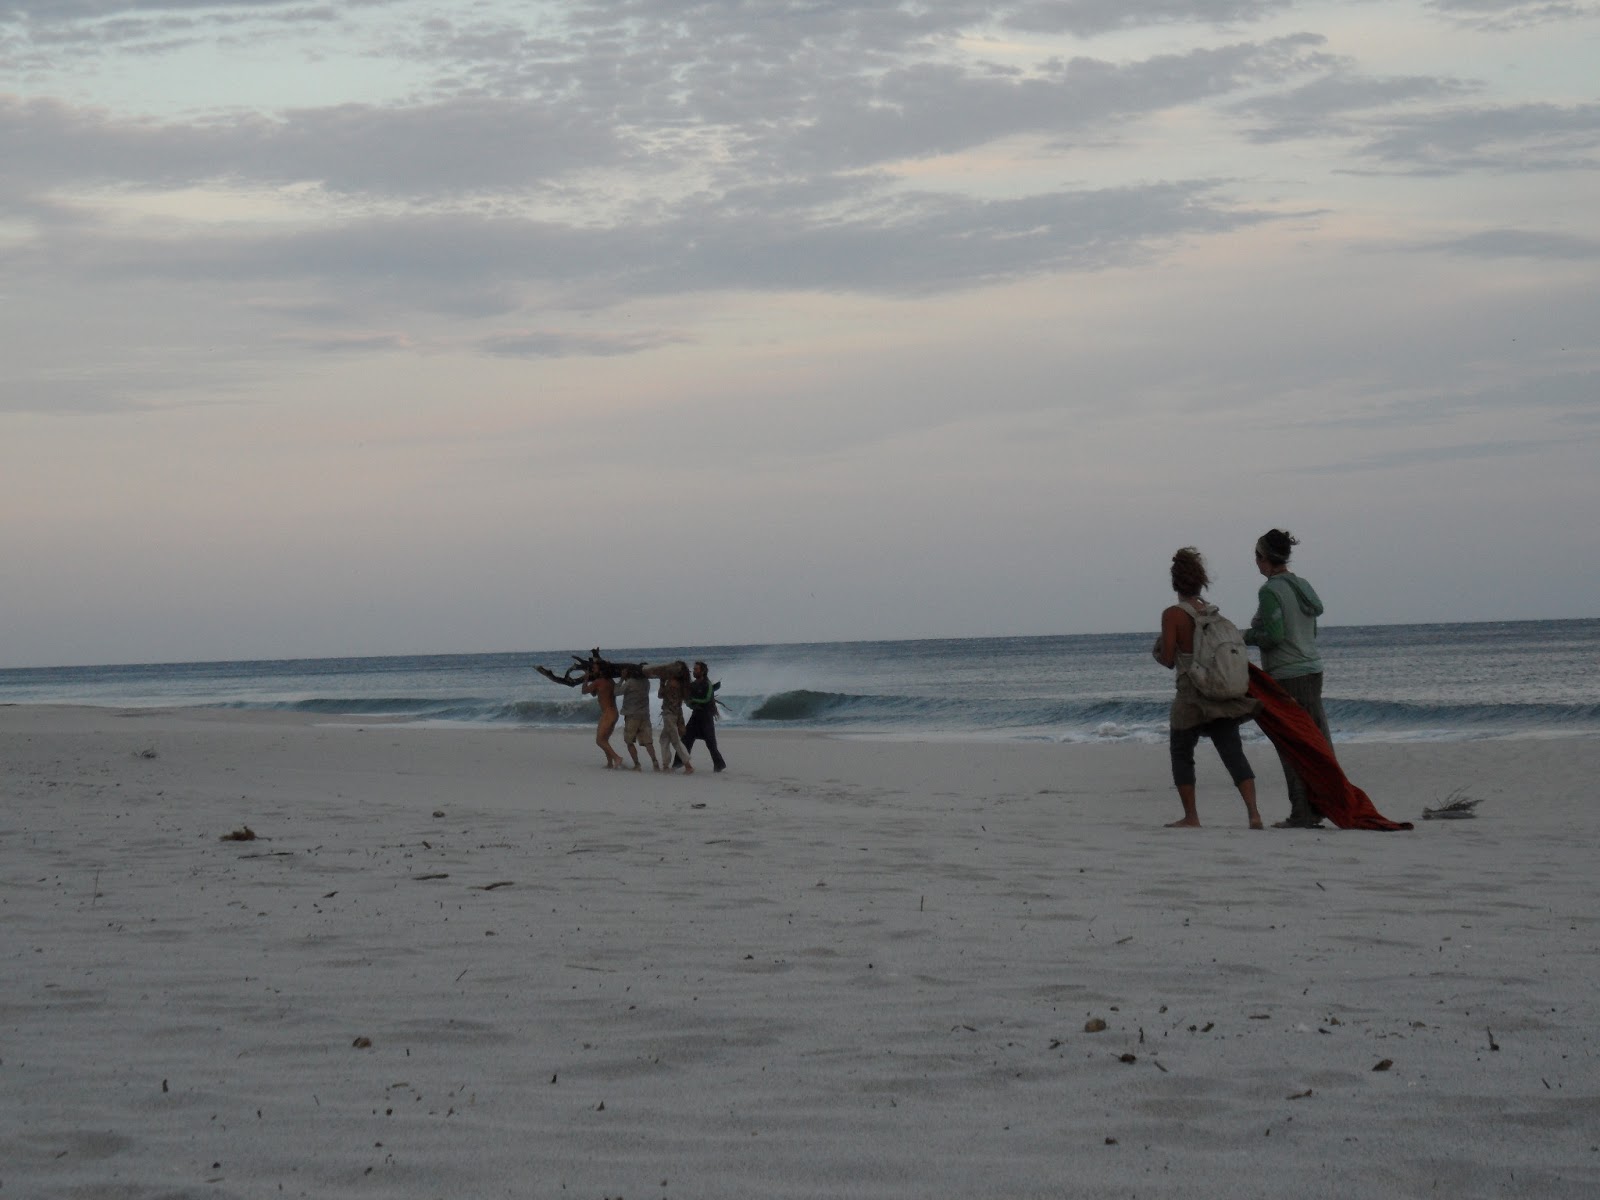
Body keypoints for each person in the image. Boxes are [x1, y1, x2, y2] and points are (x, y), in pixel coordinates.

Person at [1152, 547, 1263, 829]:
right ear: (1200, 582)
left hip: (1190, 695)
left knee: (1181, 752)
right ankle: (1253, 813)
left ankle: (1191, 816)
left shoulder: (1172, 615)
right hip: (1217, 692)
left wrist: (1161, 649)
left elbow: (1167, 659)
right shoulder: (1212, 614)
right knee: (1232, 752)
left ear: (1175, 582)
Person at [1243, 529, 1330, 829]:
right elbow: (1312, 630)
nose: (1255, 562)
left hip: (1287, 674)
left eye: (1257, 556)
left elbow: (1275, 636)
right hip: (1312, 669)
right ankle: (1321, 806)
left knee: (1291, 743)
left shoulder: (1269, 591)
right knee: (1316, 742)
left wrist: (1245, 636)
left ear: (1266, 559)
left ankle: (1302, 812)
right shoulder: (1302, 586)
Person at [682, 660, 726, 773]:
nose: (694, 671)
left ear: (703, 671)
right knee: (686, 739)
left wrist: (693, 700)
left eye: (696, 669)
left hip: (706, 717)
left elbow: (707, 699)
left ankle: (719, 765)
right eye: (694, 669)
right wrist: (688, 702)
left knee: (711, 743)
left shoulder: (708, 684)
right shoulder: (692, 685)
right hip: (696, 715)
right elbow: (688, 700)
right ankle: (677, 763)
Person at [617, 664, 662, 771]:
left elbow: (617, 692)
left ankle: (637, 764)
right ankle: (655, 762)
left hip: (632, 715)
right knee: (648, 742)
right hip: (645, 714)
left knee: (629, 741)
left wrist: (621, 679)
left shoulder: (630, 682)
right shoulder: (646, 682)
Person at [581, 669, 625, 769]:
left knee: (600, 740)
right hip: (614, 712)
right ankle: (609, 763)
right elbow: (595, 693)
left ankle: (617, 758)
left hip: (608, 713)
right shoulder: (610, 681)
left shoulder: (599, 682)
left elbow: (584, 691)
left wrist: (586, 679)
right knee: (604, 739)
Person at [657, 662, 694, 774]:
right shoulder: (682, 684)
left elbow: (660, 694)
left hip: (669, 714)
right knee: (664, 739)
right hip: (676, 713)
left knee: (675, 740)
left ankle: (688, 765)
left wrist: (662, 681)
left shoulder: (671, 683)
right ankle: (665, 765)